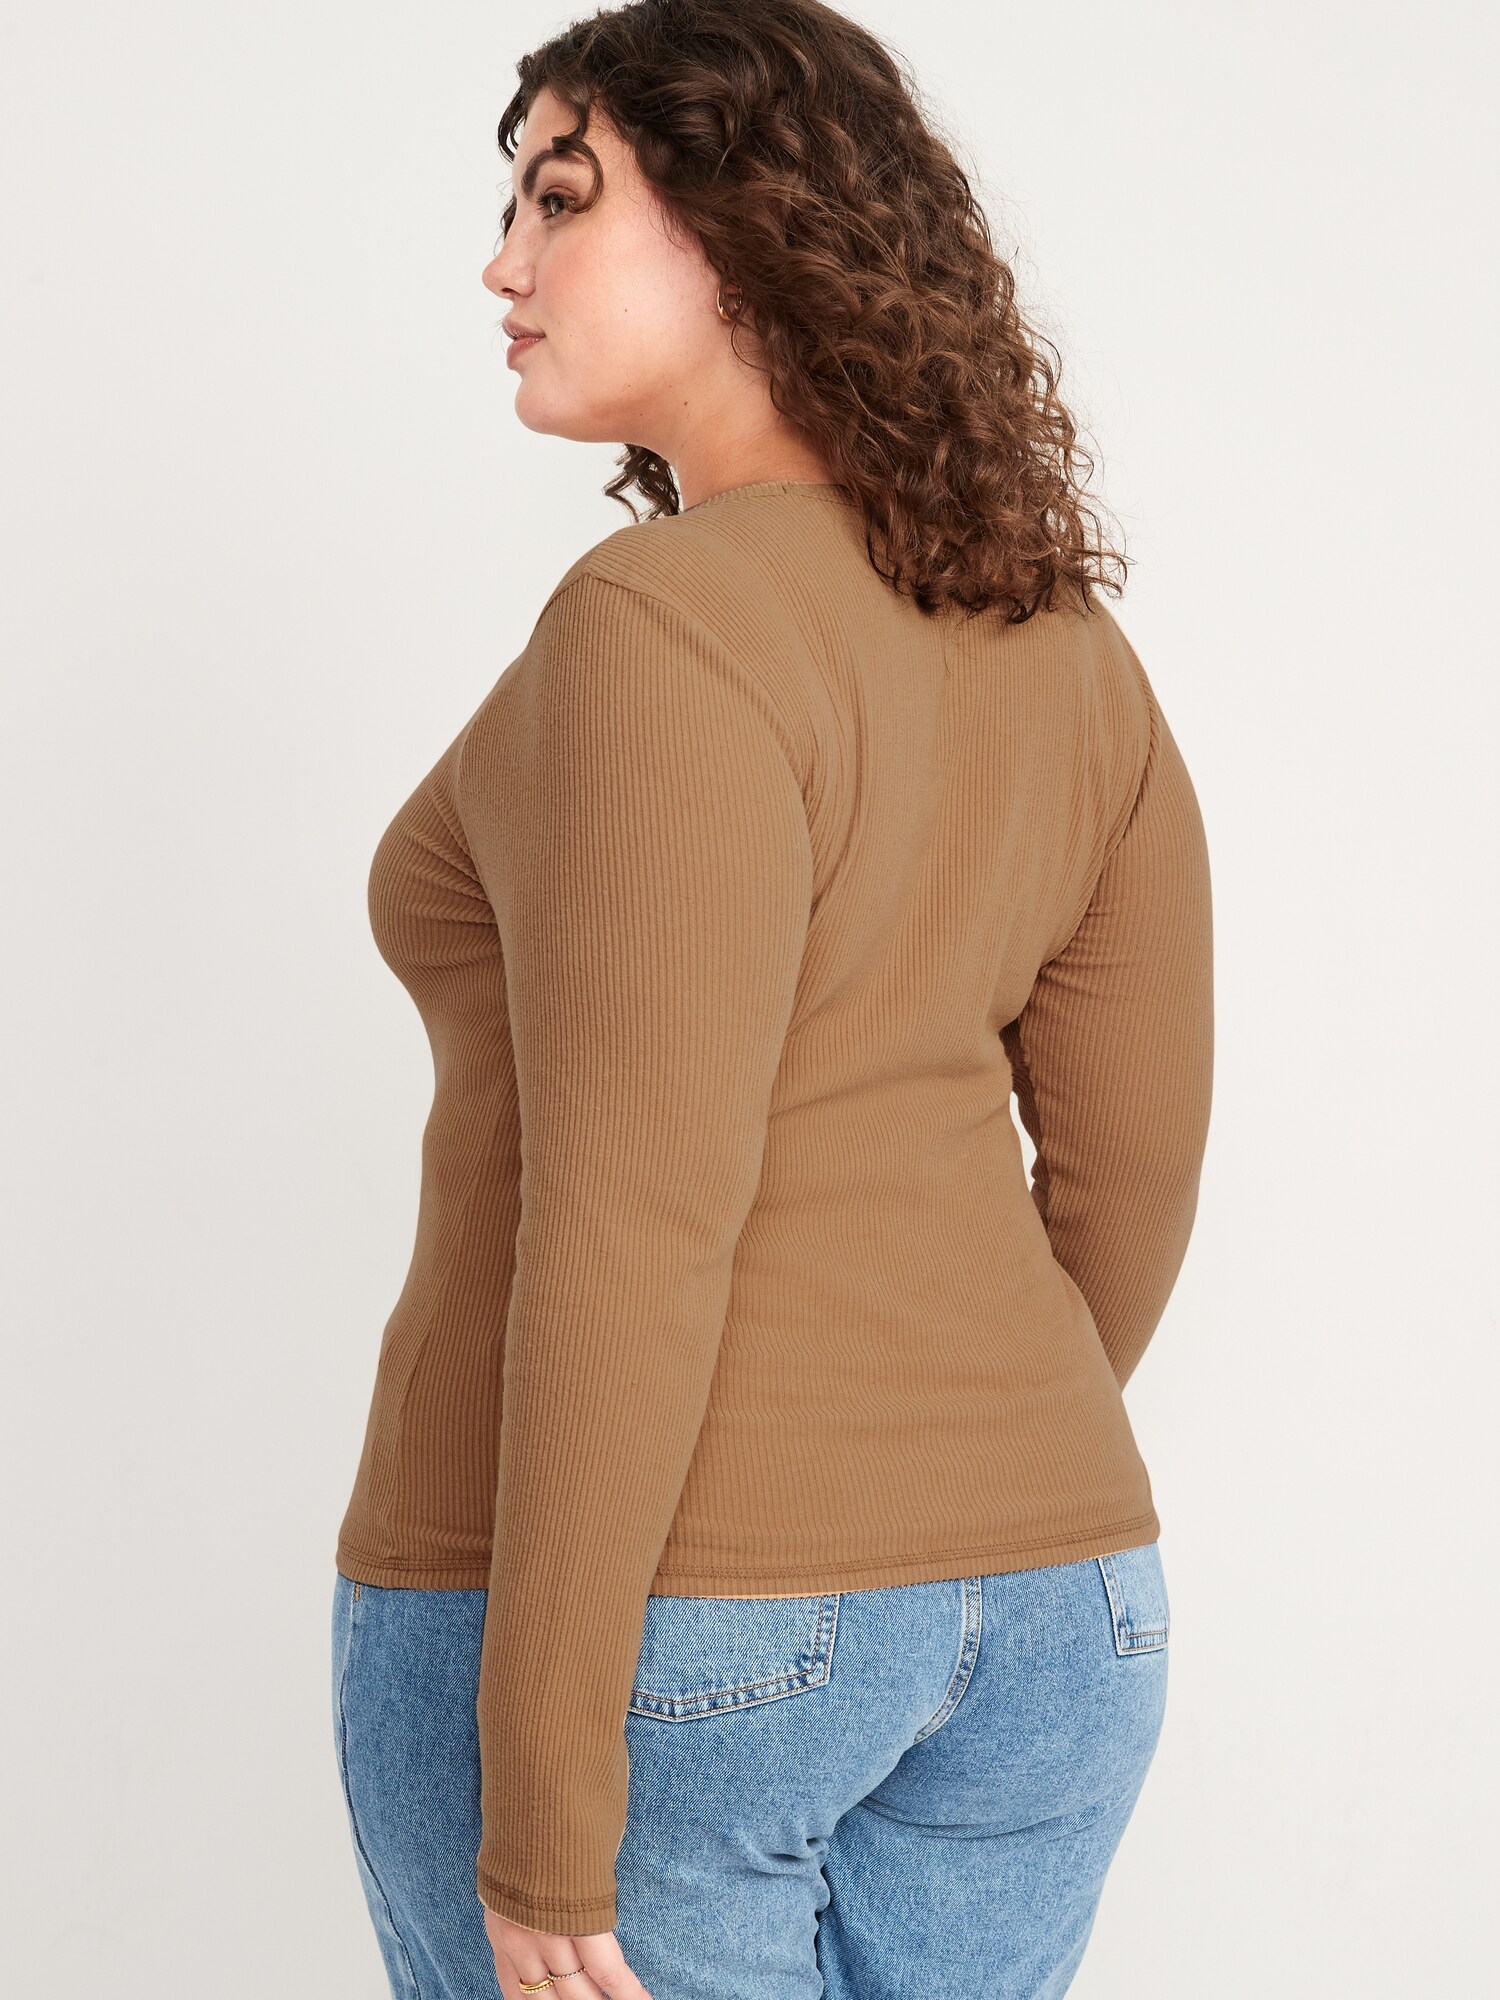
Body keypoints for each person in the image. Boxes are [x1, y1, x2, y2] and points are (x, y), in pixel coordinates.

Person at [329, 2, 1214, 1995]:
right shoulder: (1069, 651)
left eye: (562, 199)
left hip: (675, 1629)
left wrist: (548, 1794)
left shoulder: (660, 623)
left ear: (748, 228)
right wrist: (958, 1460)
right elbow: (1136, 1169)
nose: (503, 263)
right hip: (1062, 1612)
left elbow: (631, 1223)